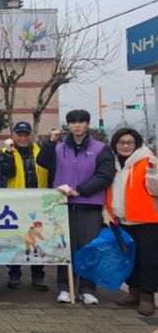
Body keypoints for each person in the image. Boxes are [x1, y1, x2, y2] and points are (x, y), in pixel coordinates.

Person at [37, 109, 115, 305]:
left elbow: (105, 175)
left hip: (90, 205)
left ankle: (87, 289)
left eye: (81, 122)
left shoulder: (101, 148)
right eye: (73, 122)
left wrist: (81, 190)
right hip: (63, 205)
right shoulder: (59, 148)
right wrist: (50, 142)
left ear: (88, 124)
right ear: (68, 125)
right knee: (64, 248)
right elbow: (43, 161)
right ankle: (65, 287)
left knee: (89, 248)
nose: (77, 126)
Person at [104, 128, 158, 316]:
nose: (125, 146)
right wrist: (107, 212)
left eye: (130, 143)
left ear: (136, 144)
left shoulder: (147, 161)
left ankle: (147, 296)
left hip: (146, 219)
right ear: (115, 144)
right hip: (122, 219)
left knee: (148, 259)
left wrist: (154, 172)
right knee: (128, 257)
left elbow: (155, 190)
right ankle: (133, 291)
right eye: (121, 142)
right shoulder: (114, 164)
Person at [0, 121, 49, 291]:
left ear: (31, 135)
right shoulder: (5, 152)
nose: (22, 138)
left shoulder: (40, 153)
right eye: (19, 134)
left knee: (38, 240)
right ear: (13, 135)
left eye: (26, 134)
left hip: (38, 202)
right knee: (15, 239)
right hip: (15, 204)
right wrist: (9, 154)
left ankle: (38, 275)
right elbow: (6, 172)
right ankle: (14, 273)